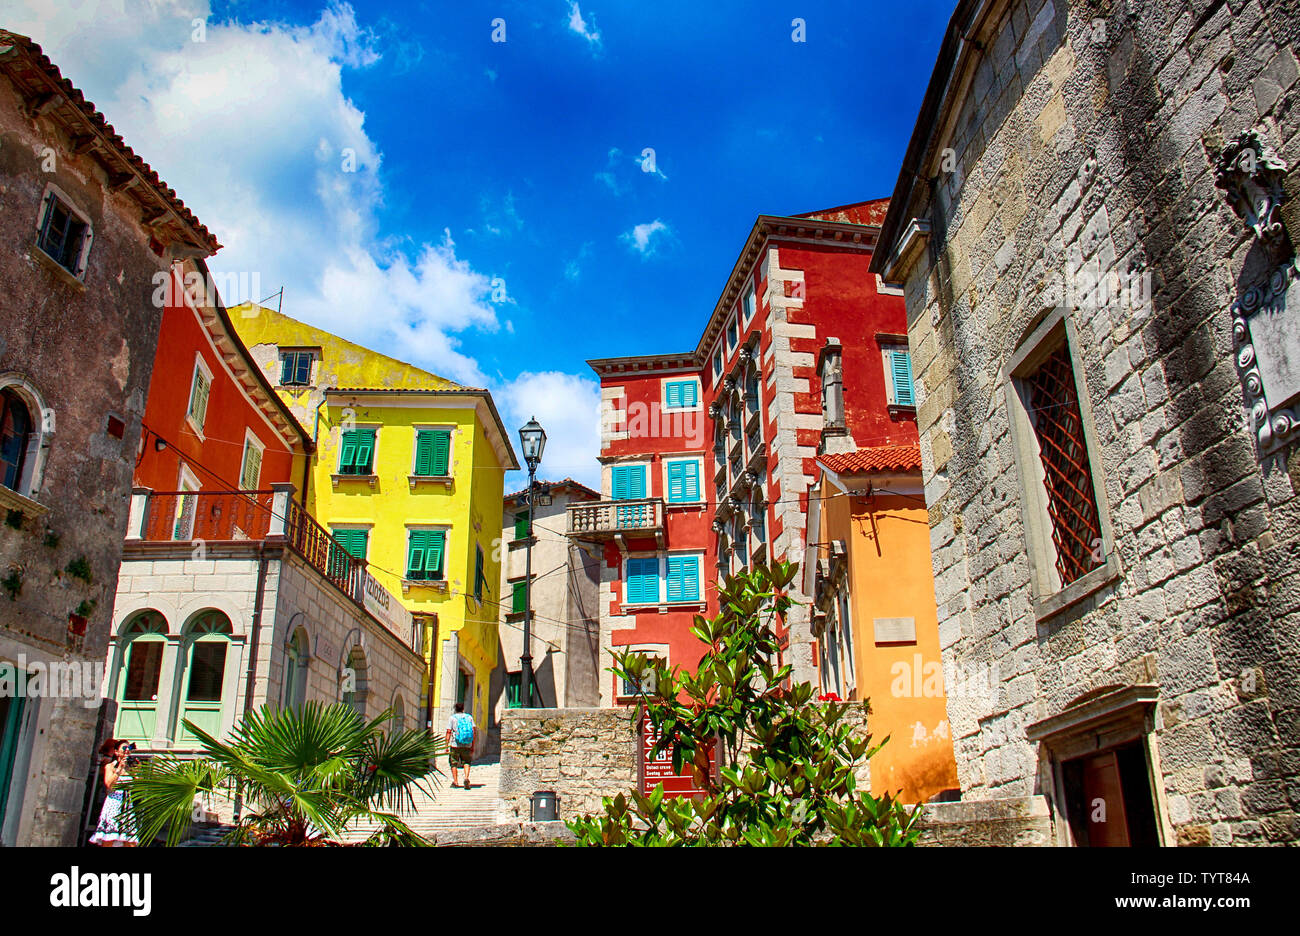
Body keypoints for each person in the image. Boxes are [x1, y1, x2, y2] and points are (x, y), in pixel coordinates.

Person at [89, 738, 139, 846]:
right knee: (109, 840)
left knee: (130, 842)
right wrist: (119, 769)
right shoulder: (110, 766)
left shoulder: (130, 768)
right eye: (124, 748)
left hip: (127, 807)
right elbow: (109, 785)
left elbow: (138, 787)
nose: (127, 750)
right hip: (114, 806)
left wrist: (136, 772)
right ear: (116, 751)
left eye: (129, 748)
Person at [444, 703, 477, 790]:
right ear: (463, 709)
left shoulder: (452, 718)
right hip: (467, 744)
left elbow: (448, 732)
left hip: (455, 744)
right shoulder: (469, 717)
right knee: (467, 762)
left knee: (453, 763)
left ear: (455, 709)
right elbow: (474, 732)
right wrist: (472, 745)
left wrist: (446, 745)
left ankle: (455, 781)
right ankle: (466, 778)